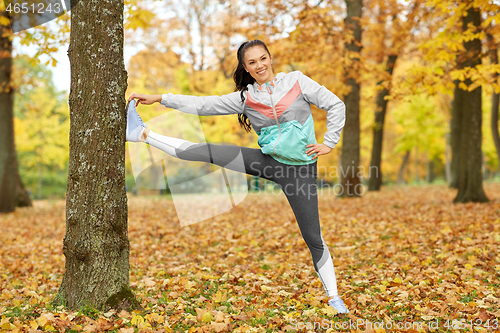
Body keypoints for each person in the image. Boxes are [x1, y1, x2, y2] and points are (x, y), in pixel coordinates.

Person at [126, 39, 348, 313]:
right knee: (207, 151)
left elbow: (336, 105)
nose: (259, 65)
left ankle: (334, 297)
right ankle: (142, 134)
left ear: (270, 58)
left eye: (263, 59)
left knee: (313, 236)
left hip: (300, 170)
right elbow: (203, 105)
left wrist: (329, 142)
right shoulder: (246, 98)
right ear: (245, 67)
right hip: (267, 161)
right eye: (252, 62)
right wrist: (161, 98)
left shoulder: (297, 81)